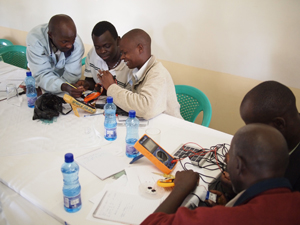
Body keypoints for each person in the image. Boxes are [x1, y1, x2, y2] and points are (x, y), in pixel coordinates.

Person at [141, 124, 300, 225]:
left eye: (228, 156)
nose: (225, 159)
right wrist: (230, 203)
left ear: (238, 165)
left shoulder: (222, 219)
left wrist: (180, 189)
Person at [99, 29, 182, 120]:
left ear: (140, 48)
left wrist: (111, 87)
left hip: (170, 127)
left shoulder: (158, 73)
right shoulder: (135, 70)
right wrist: (107, 87)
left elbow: (145, 108)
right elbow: (131, 100)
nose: (122, 57)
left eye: (125, 53)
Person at [240, 80, 300, 192]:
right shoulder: (278, 138)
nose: (251, 134)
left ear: (279, 124)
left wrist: (243, 187)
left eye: (255, 129)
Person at [26, 14, 85, 98]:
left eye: (73, 40)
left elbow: (72, 75)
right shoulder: (36, 40)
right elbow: (41, 74)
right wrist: (62, 86)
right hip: (42, 81)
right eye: (65, 41)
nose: (70, 45)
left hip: (63, 85)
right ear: (50, 35)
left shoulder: (77, 44)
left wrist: (64, 86)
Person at [76, 21, 132, 92]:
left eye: (107, 46)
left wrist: (110, 87)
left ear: (118, 41)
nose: (102, 51)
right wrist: (86, 84)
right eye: (97, 47)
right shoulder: (92, 54)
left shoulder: (130, 63)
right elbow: (90, 80)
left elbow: (131, 97)